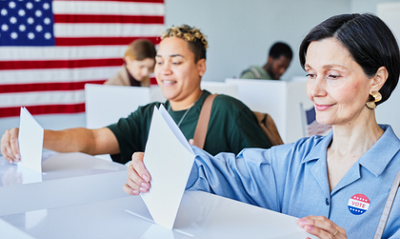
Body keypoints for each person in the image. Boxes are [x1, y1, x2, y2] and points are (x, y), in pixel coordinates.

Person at [124, 14, 400, 239]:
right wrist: (157, 163)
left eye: (332, 76)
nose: (315, 90)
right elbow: (222, 173)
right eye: (310, 74)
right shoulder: (295, 159)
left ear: (377, 79)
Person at [0, 25, 272, 165]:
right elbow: (94, 139)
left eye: (176, 62)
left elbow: (267, 172)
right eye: (160, 61)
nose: (164, 71)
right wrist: (35, 136)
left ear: (201, 67)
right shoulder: (149, 115)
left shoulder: (227, 110)